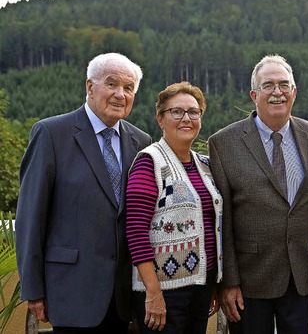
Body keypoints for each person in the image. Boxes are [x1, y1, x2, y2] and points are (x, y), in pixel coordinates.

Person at [15, 52, 152, 333]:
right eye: (111, 84)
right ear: (90, 87)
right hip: (70, 291)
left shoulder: (141, 141)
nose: (120, 94)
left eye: (128, 88)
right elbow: (30, 218)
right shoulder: (51, 133)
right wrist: (33, 289)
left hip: (123, 297)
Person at [208, 54, 308, 334]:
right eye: (268, 85)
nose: (277, 92)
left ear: (294, 93)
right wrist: (229, 281)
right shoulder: (224, 142)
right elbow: (221, 219)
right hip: (249, 281)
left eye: (284, 85)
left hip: (301, 276)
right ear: (254, 94)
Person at [125, 81, 223, 333]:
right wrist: (153, 292)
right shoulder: (150, 162)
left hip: (200, 286)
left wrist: (211, 284)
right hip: (164, 292)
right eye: (176, 112)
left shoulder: (206, 166)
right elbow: (135, 231)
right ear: (160, 118)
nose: (186, 118)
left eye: (193, 112)